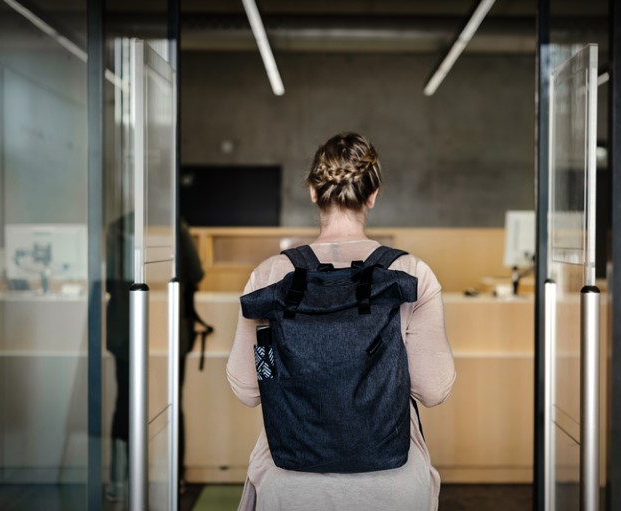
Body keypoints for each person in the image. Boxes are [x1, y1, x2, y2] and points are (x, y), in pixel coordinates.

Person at [227, 132, 456, 511]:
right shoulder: (411, 274)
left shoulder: (270, 275)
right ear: (373, 195)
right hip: (392, 482)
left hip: (290, 480)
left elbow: (248, 389)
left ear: (314, 193)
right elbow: (434, 390)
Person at [105, 214, 204, 500]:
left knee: (125, 401)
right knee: (172, 401)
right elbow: (196, 274)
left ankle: (120, 480)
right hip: (170, 330)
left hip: (126, 333)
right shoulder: (176, 225)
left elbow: (110, 279)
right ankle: (175, 476)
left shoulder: (118, 228)